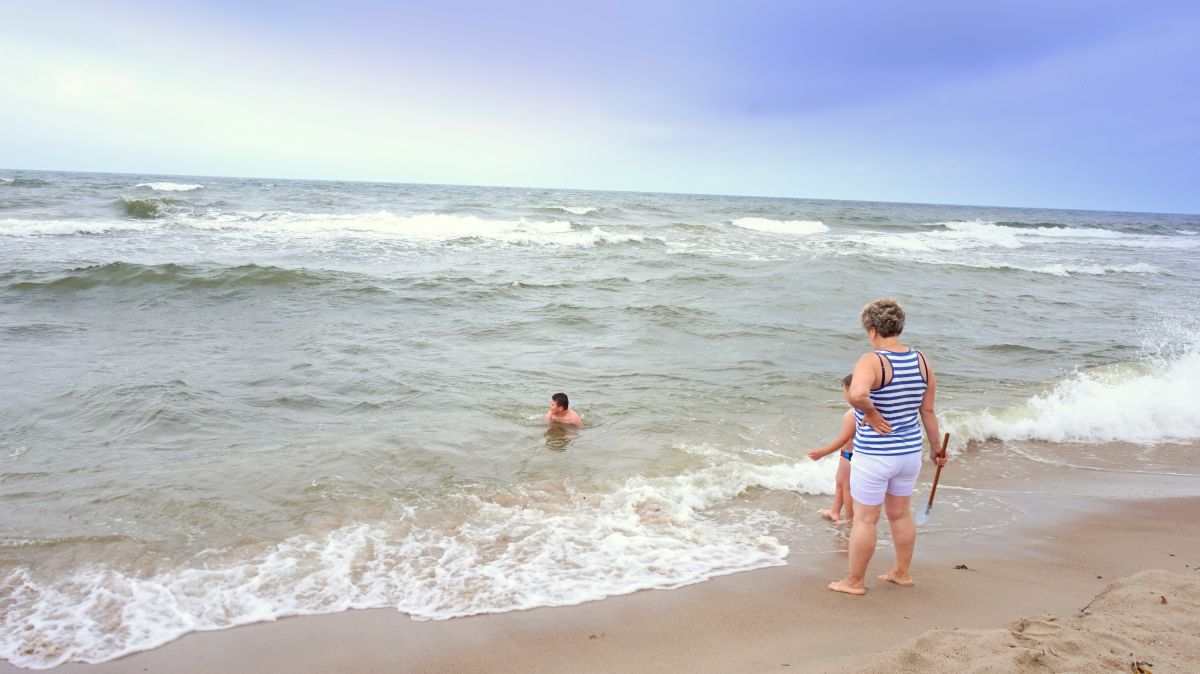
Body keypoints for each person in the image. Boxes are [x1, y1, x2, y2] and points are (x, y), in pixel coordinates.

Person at [829, 298, 947, 596]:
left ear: (872, 330)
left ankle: (854, 582)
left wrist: (870, 413)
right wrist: (936, 448)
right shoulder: (921, 360)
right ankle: (901, 573)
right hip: (909, 453)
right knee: (900, 515)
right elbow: (928, 412)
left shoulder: (872, 361)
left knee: (866, 519)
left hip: (875, 455)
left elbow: (857, 394)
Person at [807, 374, 856, 523]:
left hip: (851, 454)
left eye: (845, 390)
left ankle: (849, 518)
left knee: (847, 487)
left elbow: (843, 439)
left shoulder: (853, 414)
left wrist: (823, 453)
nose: (844, 394)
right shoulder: (861, 411)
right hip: (848, 453)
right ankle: (835, 511)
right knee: (840, 482)